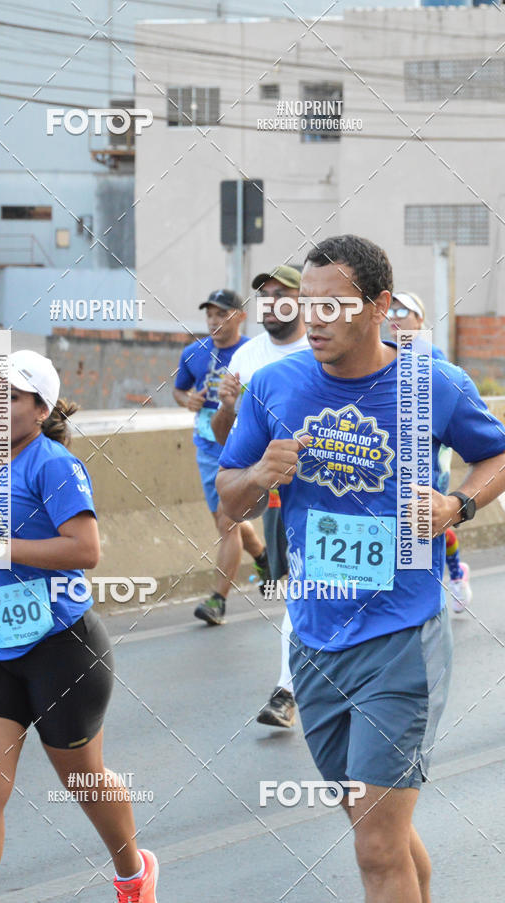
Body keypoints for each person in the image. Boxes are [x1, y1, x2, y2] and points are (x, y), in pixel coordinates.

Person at [217, 235, 505, 903]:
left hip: (402, 638)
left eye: (332, 305)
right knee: (379, 831)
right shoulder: (274, 386)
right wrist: (260, 473)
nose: (312, 318)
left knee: (376, 846)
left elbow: (496, 456)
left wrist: (455, 503)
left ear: (377, 307)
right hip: (314, 641)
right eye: (303, 304)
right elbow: (230, 498)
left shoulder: (432, 383)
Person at [0, 349, 159, 903]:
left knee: (83, 781)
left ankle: (133, 872)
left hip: (60, 646)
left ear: (40, 409)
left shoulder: (54, 464)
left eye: (11, 396)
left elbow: (86, 549)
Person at [211, 265, 310, 729]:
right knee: (298, 590)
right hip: (276, 497)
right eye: (265, 295)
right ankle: (287, 689)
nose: (271, 302)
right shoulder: (248, 357)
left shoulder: (323, 348)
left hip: (336, 490)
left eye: (281, 293)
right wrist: (229, 408)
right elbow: (224, 438)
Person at [173, 289, 269, 626]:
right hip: (207, 445)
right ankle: (263, 555)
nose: (215, 321)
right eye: (210, 314)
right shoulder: (193, 353)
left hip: (242, 444)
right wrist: (187, 401)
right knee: (225, 521)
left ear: (240, 316)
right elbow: (179, 389)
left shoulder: (254, 352)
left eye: (222, 314)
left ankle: (218, 600)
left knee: (228, 523)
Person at [388, 291, 472, 612]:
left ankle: (453, 575)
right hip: (391, 460)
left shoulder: (434, 359)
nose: (394, 317)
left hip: (429, 458)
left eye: (403, 311)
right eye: (390, 311)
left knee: (430, 523)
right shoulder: (380, 356)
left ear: (420, 319)